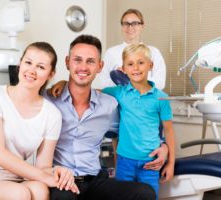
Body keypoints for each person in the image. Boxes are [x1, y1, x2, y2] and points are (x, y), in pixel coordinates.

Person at [0, 35, 169, 200]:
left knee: (144, 192)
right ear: (67, 62)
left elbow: (137, 125)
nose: (83, 67)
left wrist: (163, 144)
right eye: (77, 60)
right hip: (61, 181)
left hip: (96, 180)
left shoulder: (109, 104)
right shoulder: (47, 100)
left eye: (90, 62)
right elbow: (16, 118)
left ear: (99, 67)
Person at [0, 42, 79, 200]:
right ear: (20, 63)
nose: (31, 70)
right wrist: (46, 177)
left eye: (40, 67)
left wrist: (57, 171)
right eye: (28, 62)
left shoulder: (52, 114)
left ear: (51, 74)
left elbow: (43, 167)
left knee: (40, 189)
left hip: (13, 179)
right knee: (19, 193)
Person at [48, 43, 175, 199]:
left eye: (141, 63)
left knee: (146, 193)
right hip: (119, 163)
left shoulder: (158, 98)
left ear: (151, 65)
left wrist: (167, 155)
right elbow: (85, 88)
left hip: (142, 163)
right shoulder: (119, 93)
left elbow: (167, 130)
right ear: (124, 68)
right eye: (130, 64)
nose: (135, 68)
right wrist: (63, 83)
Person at [98, 9, 166, 90]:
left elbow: (160, 84)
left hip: (145, 100)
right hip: (118, 101)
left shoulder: (153, 52)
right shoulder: (111, 52)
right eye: (126, 23)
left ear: (142, 26)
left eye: (135, 23)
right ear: (122, 26)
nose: (130, 27)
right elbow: (102, 85)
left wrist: (133, 75)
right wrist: (119, 76)